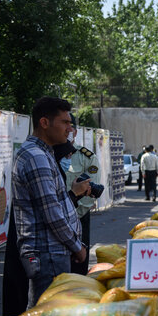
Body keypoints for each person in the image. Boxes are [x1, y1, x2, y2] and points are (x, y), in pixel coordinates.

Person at [12, 97, 89, 308]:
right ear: (44, 123)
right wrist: (76, 246)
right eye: (65, 122)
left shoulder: (43, 153)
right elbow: (52, 214)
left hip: (53, 253)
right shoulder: (36, 156)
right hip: (48, 255)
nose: (69, 128)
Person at [63, 114, 100, 275]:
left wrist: (73, 213)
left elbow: (90, 190)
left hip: (78, 216)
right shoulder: (48, 154)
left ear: (76, 132)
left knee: (79, 262)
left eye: (71, 127)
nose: (68, 130)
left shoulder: (87, 157)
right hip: (53, 217)